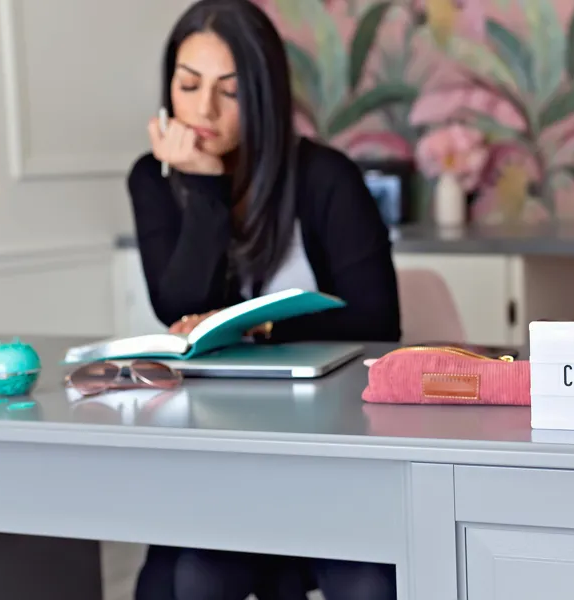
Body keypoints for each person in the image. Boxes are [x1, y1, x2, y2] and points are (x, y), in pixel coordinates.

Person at [126, 1, 400, 599]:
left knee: (370, 583)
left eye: (230, 91)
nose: (203, 110)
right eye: (188, 85)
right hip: (218, 452)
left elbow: (380, 322)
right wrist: (202, 185)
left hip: (334, 447)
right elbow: (177, 304)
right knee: (182, 579)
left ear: (265, 93)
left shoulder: (327, 177)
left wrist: (259, 332)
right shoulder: (154, 178)